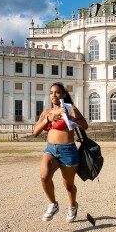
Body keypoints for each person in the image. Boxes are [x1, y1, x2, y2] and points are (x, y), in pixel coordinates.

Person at [33, 82, 88, 223]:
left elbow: (85, 125)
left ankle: (72, 206)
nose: (54, 95)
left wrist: (70, 118)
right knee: (44, 176)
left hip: (68, 150)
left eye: (57, 92)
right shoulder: (46, 112)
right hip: (51, 149)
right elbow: (35, 132)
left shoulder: (70, 108)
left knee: (68, 185)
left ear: (63, 94)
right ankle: (53, 204)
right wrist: (47, 119)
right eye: (51, 92)